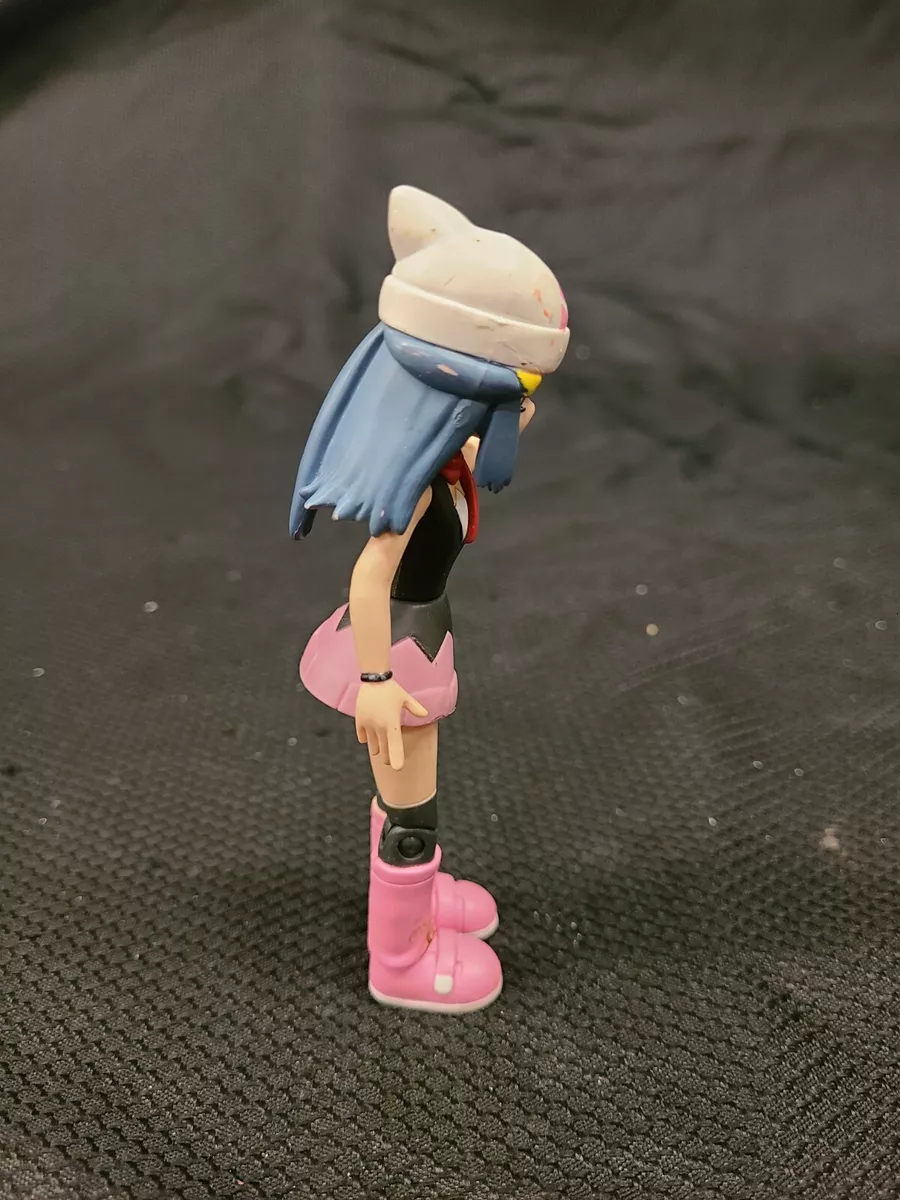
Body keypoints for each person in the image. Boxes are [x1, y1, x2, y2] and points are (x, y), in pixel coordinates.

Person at [290, 185, 570, 1013]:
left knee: (406, 796)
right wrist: (376, 684)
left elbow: (490, 442)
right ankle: (400, 960)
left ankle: (415, 907)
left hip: (418, 637)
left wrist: (511, 403)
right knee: (412, 810)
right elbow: (370, 576)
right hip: (397, 652)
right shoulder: (413, 486)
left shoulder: (447, 459)